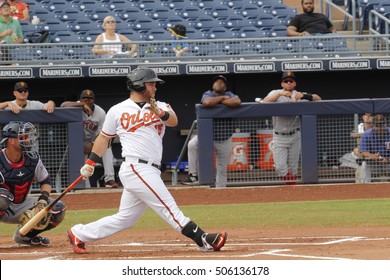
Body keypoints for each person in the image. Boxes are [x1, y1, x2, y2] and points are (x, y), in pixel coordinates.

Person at [66, 67, 227, 254]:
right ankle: (202, 239)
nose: (155, 87)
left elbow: (174, 121)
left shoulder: (162, 105)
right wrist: (90, 163)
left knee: (126, 218)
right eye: (151, 84)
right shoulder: (117, 110)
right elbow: (103, 138)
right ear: (139, 85)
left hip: (151, 168)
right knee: (168, 207)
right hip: (135, 166)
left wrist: (159, 112)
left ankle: (80, 233)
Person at [0, 121, 66, 246]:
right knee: (3, 199)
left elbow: (45, 181)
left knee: (58, 209)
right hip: (2, 204)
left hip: (21, 204)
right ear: (11, 140)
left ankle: (24, 236)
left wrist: (42, 201)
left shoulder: (33, 159)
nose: (28, 140)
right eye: (23, 137)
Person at [262, 72, 322, 185]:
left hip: (295, 135)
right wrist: (280, 94)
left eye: (291, 81)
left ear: (295, 83)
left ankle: (292, 192)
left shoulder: (298, 94)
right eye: (286, 81)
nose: (288, 83)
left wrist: (305, 96)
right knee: (280, 167)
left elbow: (319, 99)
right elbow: (265, 102)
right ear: (282, 83)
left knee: (293, 167)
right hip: (279, 136)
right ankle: (293, 185)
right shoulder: (276, 93)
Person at [182, 75, 241, 188]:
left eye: (222, 82)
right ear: (213, 85)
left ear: (225, 86)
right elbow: (207, 102)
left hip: (224, 137)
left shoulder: (230, 94)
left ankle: (220, 192)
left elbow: (237, 101)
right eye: (217, 82)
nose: (219, 83)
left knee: (222, 168)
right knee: (192, 145)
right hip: (207, 136)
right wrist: (223, 99)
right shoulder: (208, 93)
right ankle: (193, 174)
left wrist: (221, 100)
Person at [60, 89, 119, 188]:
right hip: (78, 143)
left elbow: (103, 134)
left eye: (90, 99)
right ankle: (85, 186)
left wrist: (92, 143)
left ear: (94, 100)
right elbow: (63, 105)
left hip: (94, 141)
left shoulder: (100, 112)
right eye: (84, 99)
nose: (87, 101)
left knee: (107, 147)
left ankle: (109, 179)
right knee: (82, 167)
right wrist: (81, 105)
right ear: (80, 99)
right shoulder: (76, 106)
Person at [359, 114, 390, 183]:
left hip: (388, 161)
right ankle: (365, 188)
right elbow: (363, 151)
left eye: (381, 125)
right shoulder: (367, 134)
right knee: (364, 165)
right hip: (374, 162)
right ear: (373, 125)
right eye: (377, 125)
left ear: (385, 124)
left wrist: (388, 159)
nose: (379, 127)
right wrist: (371, 156)